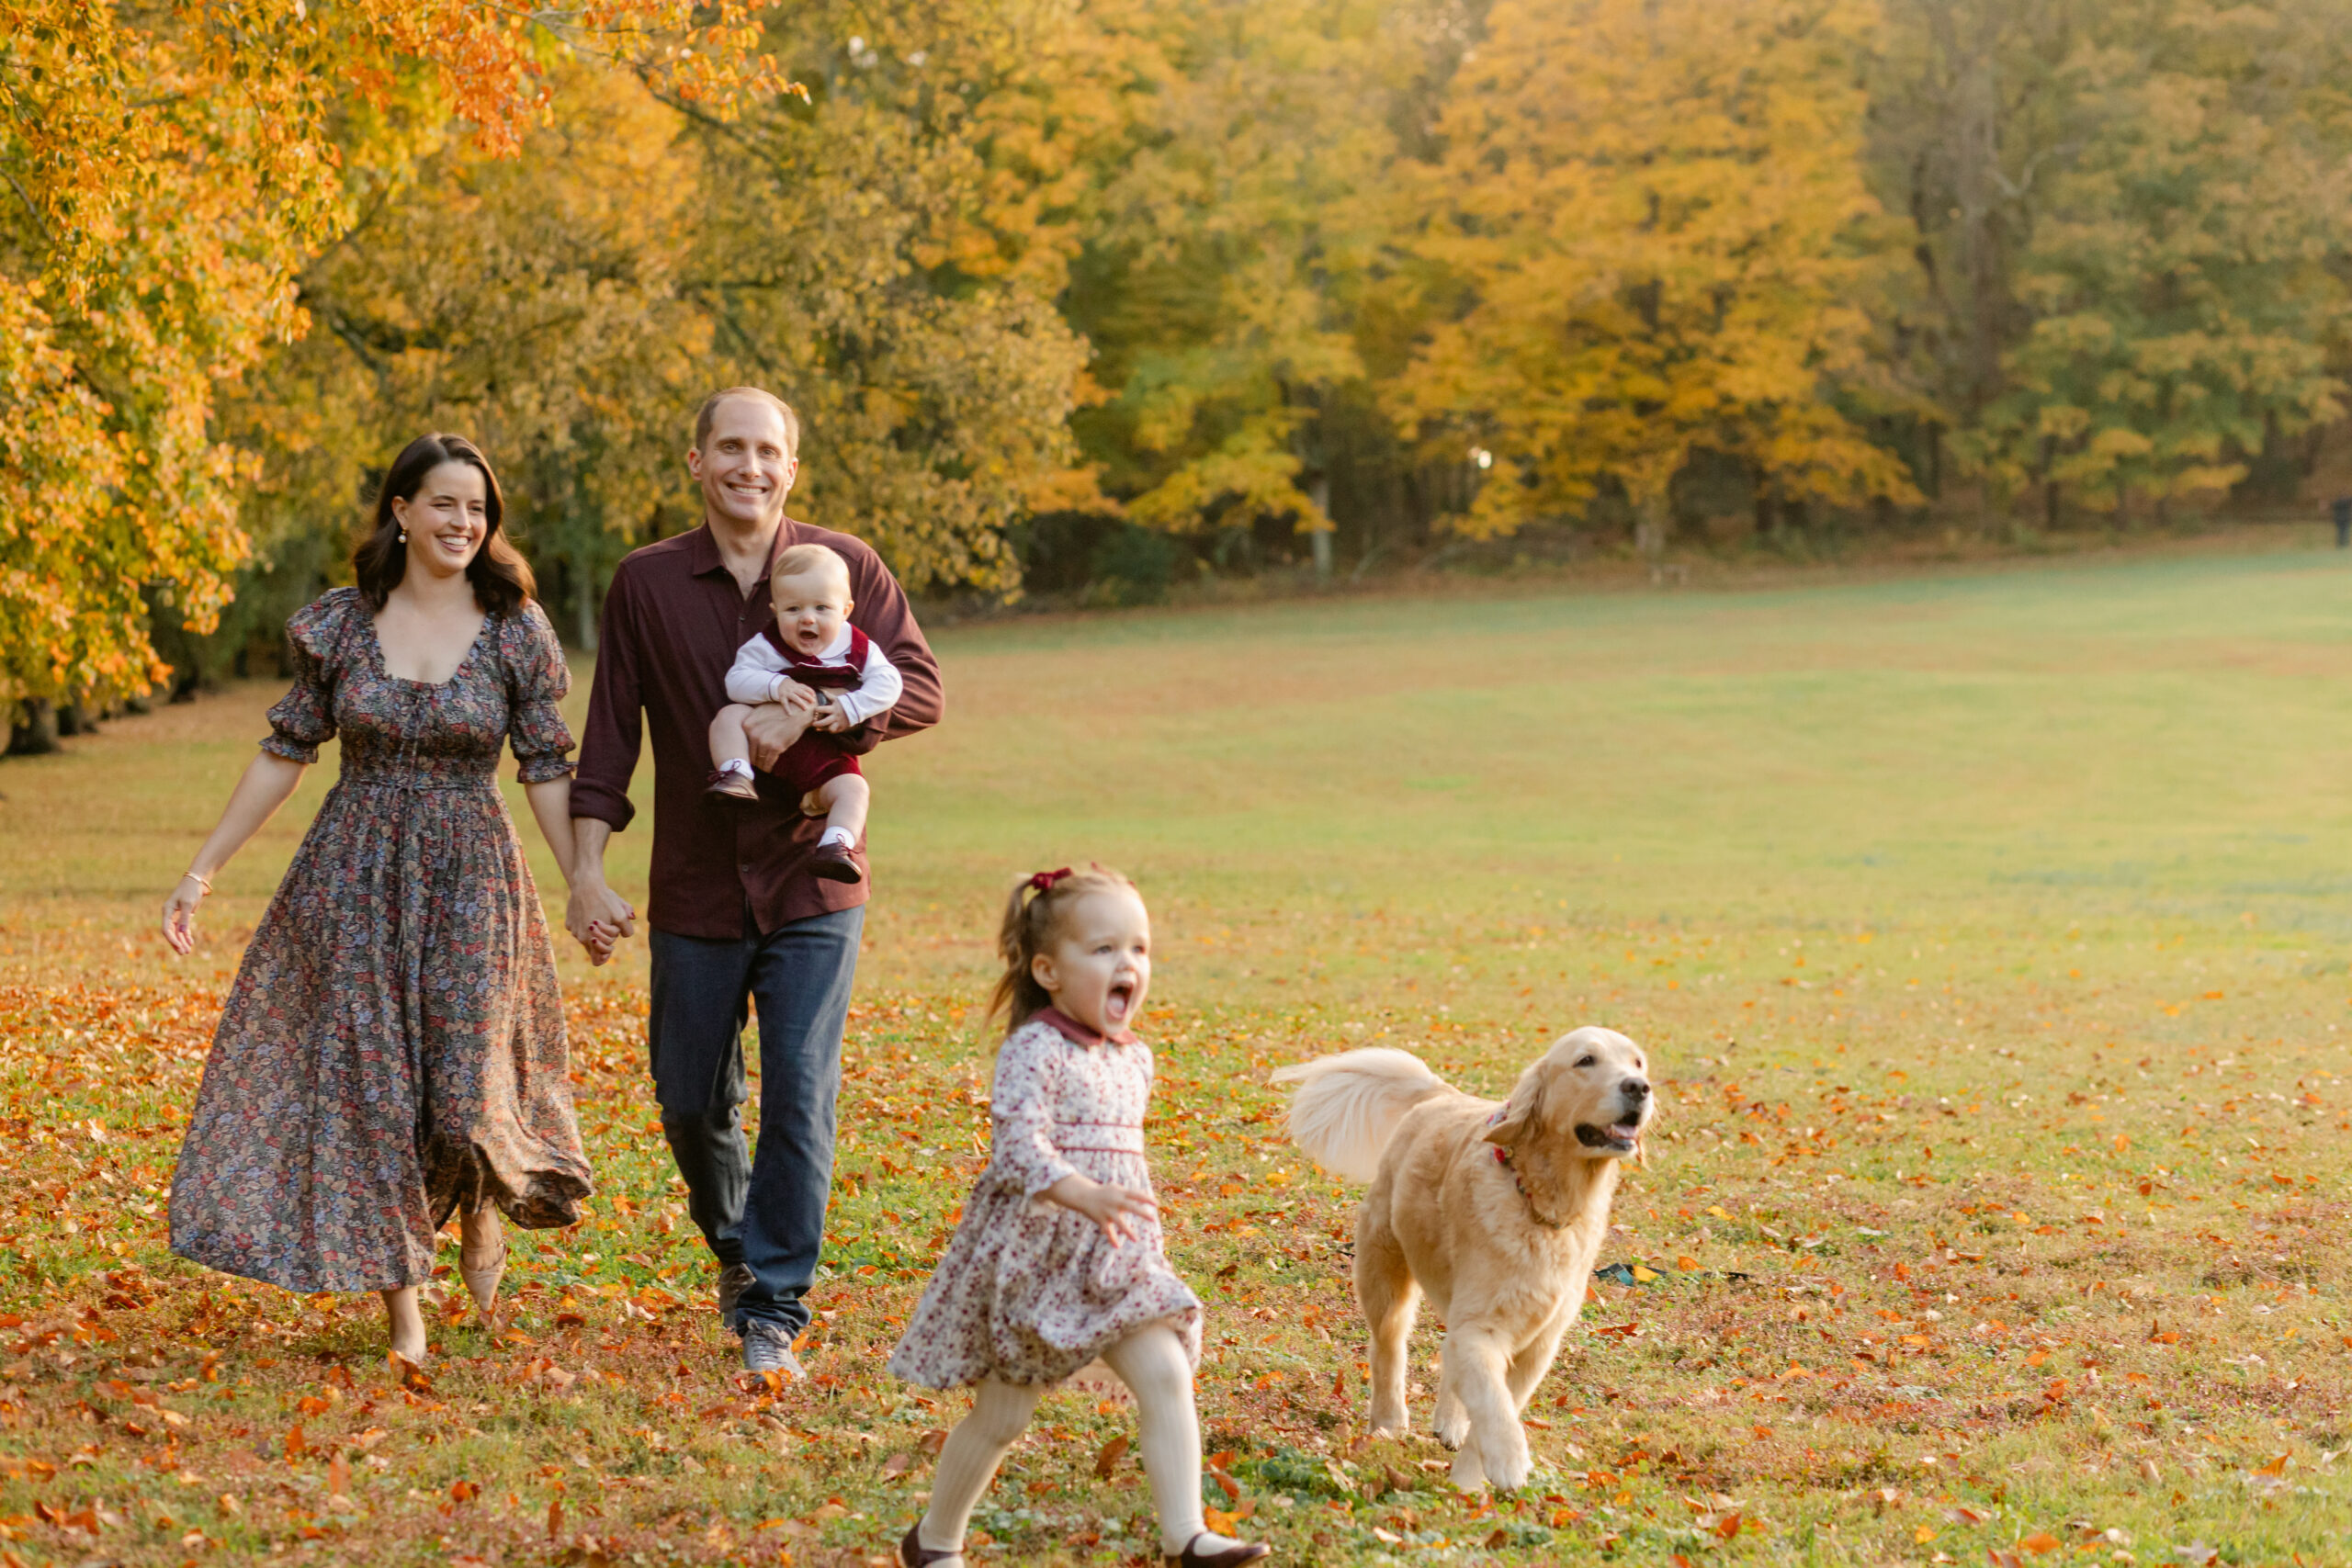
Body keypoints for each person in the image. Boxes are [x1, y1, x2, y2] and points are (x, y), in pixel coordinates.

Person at [161, 433, 594, 1364]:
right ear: (400, 511)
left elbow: (548, 767)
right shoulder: (342, 623)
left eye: (477, 509)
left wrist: (584, 882)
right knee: (373, 1096)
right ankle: (405, 1315)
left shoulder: (517, 626)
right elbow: (285, 751)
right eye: (443, 503)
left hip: (475, 876)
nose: (462, 523)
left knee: (465, 1092)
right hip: (352, 876)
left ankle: (481, 1204)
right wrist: (202, 871)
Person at [566, 388, 943, 1374]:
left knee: (801, 1095)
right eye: (729, 448)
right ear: (696, 461)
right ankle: (736, 1246)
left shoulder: (844, 566)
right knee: (689, 1096)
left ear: (792, 464)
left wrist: (820, 724)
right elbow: (609, 733)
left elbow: (922, 687)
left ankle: (775, 1304)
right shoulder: (645, 583)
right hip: (692, 882)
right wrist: (585, 870)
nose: (750, 466)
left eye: (767, 450)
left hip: (813, 879)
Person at [887, 867, 1271, 1568]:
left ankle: (1187, 1535)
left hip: (1113, 1260)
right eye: (1103, 949)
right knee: (1004, 1415)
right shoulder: (1035, 1047)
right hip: (1033, 1258)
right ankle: (934, 1542)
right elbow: (1016, 1146)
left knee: (1164, 1372)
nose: (1127, 963)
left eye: (1140, 948)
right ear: (1048, 970)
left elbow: (1128, 1169)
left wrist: (1133, 1230)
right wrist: (1078, 1191)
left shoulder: (1137, 1058)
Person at [705, 541, 903, 888]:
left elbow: (890, 683)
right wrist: (774, 686)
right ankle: (734, 774)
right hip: (764, 748)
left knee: (854, 789)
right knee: (729, 716)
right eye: (793, 609)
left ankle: (836, 845)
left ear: (846, 610)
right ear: (775, 610)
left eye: (822, 608)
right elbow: (736, 680)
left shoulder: (858, 647)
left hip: (826, 757)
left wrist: (850, 708)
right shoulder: (766, 645)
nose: (808, 618)